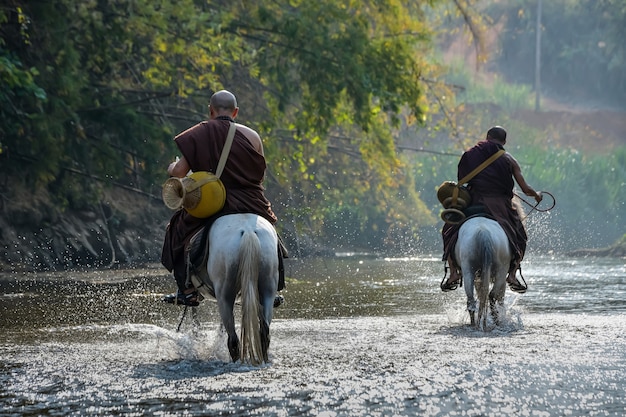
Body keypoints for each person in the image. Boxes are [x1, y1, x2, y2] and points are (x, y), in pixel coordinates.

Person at [161, 90, 286, 306]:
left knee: (176, 229)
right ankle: (273, 288)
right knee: (272, 236)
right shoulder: (253, 136)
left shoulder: (198, 133)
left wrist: (171, 166)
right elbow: (260, 176)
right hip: (250, 202)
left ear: (211, 111)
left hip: (212, 204)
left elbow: (180, 172)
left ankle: (187, 290)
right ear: (236, 112)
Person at [440, 126, 542, 293]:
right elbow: (524, 189)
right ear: (504, 141)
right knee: (520, 235)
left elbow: (461, 180)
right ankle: (512, 275)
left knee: (449, 230)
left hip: (473, 201)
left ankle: (452, 273)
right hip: (500, 206)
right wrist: (536, 195)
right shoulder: (509, 159)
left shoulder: (470, 154)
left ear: (487, 137)